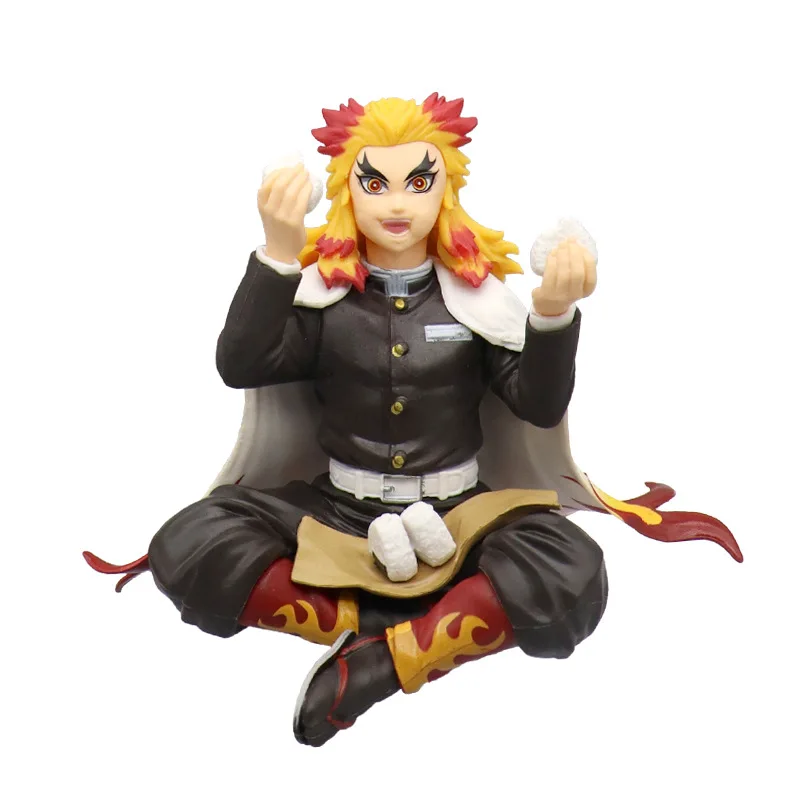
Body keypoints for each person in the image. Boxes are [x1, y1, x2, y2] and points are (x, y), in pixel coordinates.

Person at [84, 94, 741, 748]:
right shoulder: (325, 301)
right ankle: (390, 622)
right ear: (347, 193)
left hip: (461, 514)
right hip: (337, 509)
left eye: (418, 183)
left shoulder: (478, 302)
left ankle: (382, 659)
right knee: (192, 546)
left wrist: (551, 315)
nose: (396, 204)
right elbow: (242, 364)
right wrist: (280, 253)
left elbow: (538, 406)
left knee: (573, 575)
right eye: (375, 184)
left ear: (445, 190)